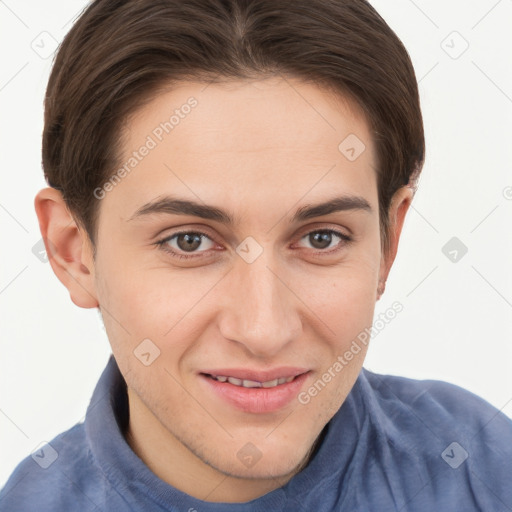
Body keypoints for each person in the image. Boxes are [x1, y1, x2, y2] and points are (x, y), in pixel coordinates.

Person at [1, 0, 511, 510]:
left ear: (388, 243)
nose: (263, 330)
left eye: (321, 238)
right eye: (189, 241)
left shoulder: (484, 467)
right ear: (73, 253)